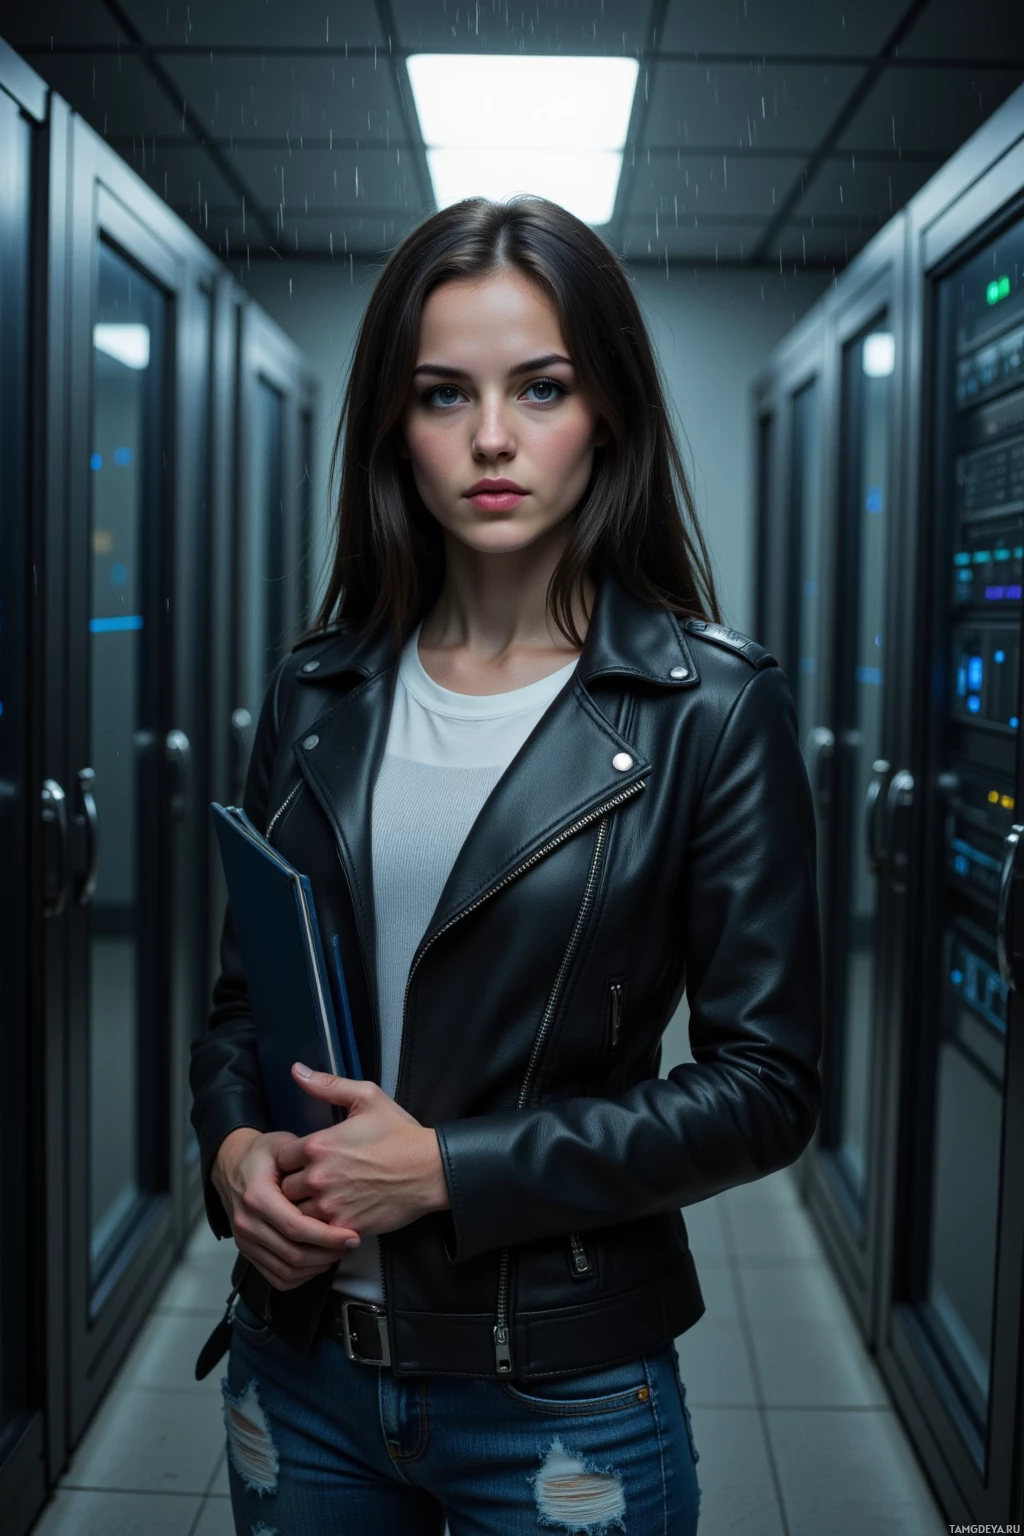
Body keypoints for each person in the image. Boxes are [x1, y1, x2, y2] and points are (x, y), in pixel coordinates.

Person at [190, 193, 823, 1536]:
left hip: (556, 1391)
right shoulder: (315, 692)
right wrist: (236, 1151)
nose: (491, 438)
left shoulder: (710, 708)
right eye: (442, 394)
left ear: (610, 419)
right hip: (298, 1370)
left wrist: (449, 1171)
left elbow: (768, 1086)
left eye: (541, 388)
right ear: (392, 429)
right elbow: (239, 1010)